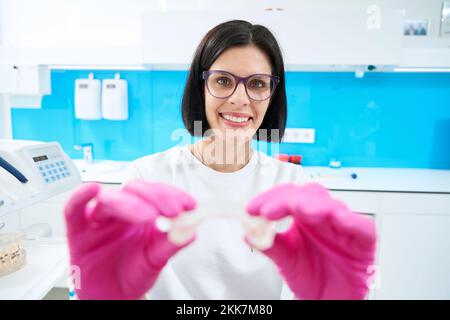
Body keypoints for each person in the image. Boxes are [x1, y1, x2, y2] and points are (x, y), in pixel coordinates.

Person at [64, 20, 377, 300]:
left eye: (257, 84)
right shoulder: (147, 177)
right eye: (223, 81)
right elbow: (120, 280)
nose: (239, 98)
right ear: (201, 88)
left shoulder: (291, 186)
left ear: (272, 95)